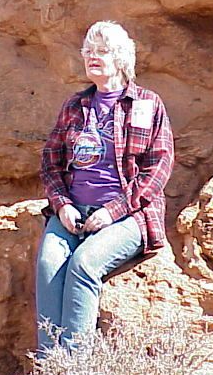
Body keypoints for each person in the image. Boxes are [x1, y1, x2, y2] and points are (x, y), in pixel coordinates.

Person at [37, 21, 174, 354]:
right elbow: (51, 161)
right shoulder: (75, 106)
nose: (92, 57)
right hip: (74, 212)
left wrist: (113, 211)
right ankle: (50, 367)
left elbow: (159, 167)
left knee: (84, 263)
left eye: (101, 51)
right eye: (88, 51)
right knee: (48, 264)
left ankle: (74, 370)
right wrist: (62, 205)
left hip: (129, 215)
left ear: (121, 57)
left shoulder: (147, 103)